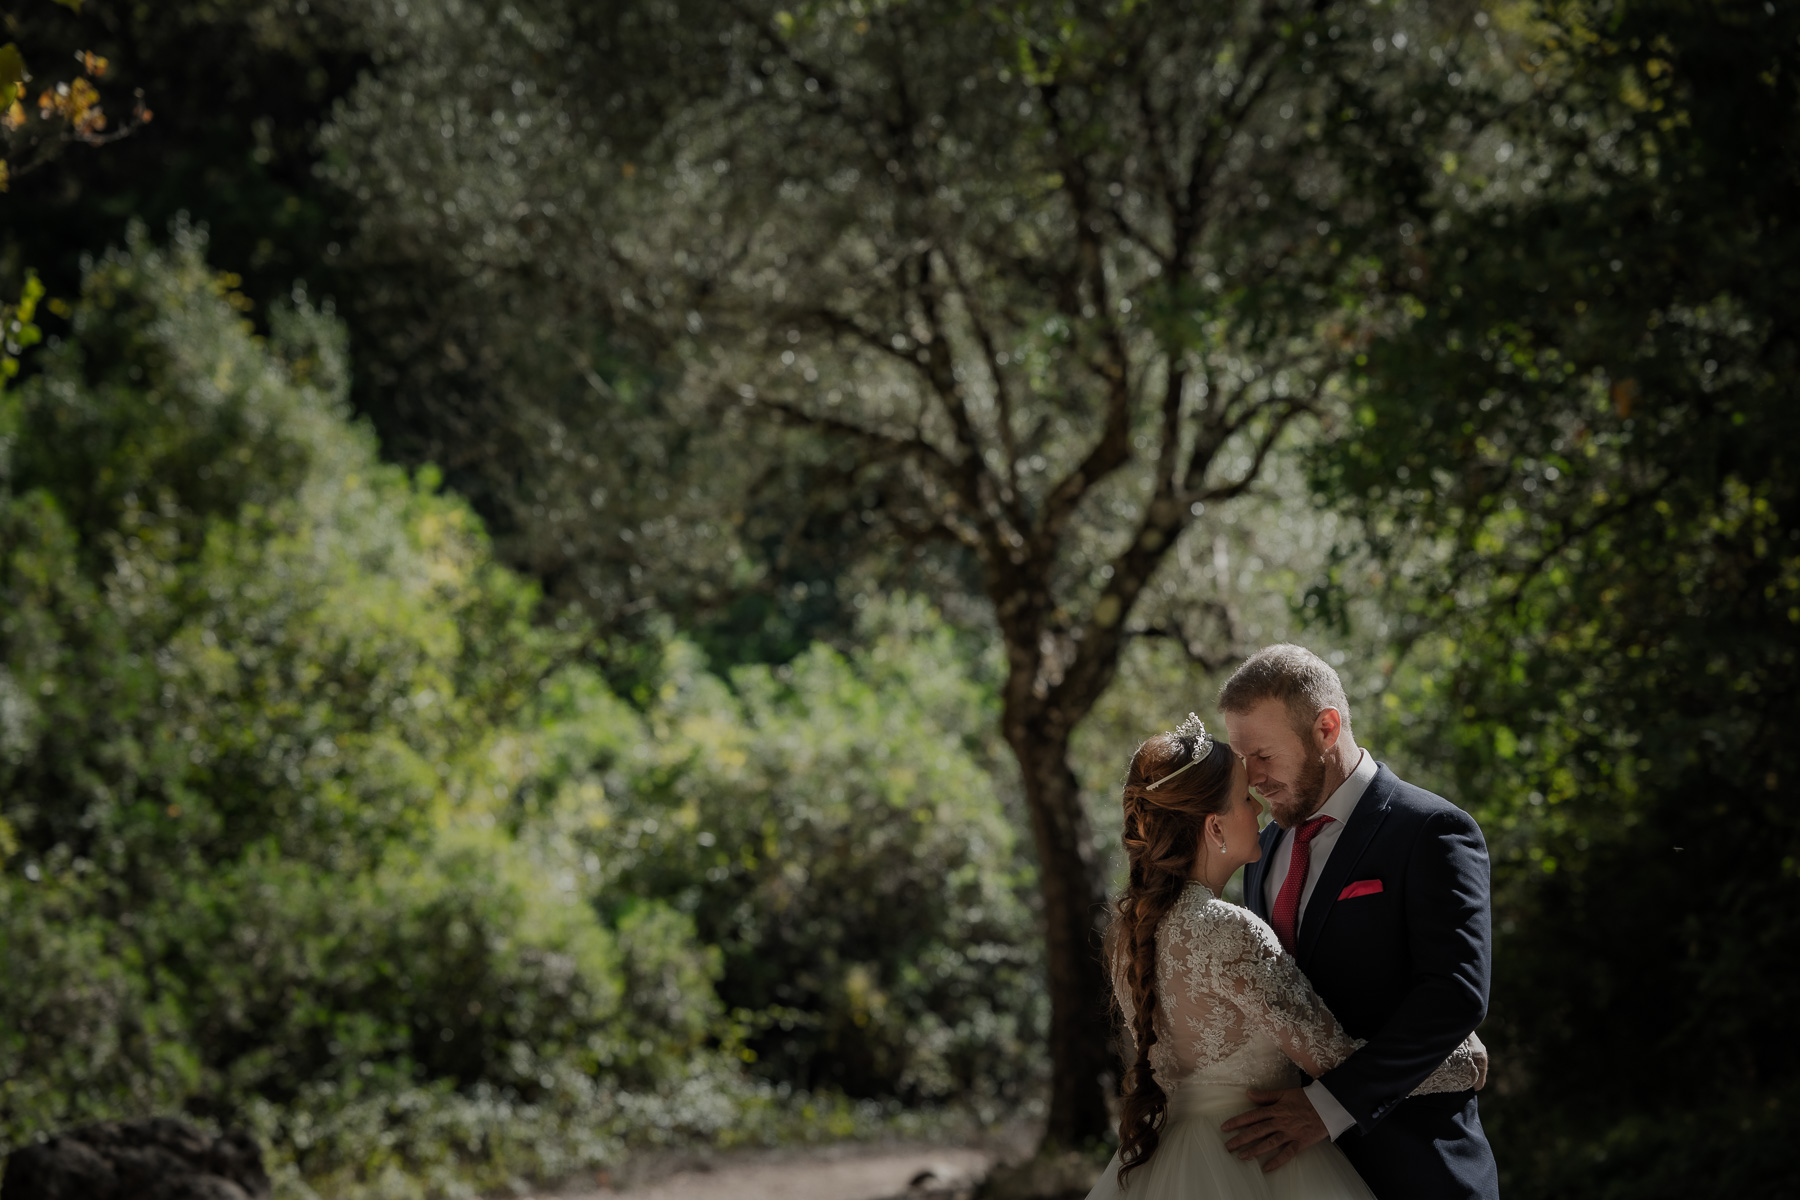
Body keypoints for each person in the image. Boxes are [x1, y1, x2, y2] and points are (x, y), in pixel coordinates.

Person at [1083, 713, 1486, 1200]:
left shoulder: (1129, 929)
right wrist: (1460, 1061)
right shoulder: (1228, 929)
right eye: (1242, 798)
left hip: (1169, 1161)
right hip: (1256, 1164)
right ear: (1214, 827)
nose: (1258, 809)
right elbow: (1333, 1062)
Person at [1217, 644, 1499, 1199]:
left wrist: (1328, 1107)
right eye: (1241, 757)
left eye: (1265, 755)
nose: (1251, 778)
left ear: (1326, 728)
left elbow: (1455, 994)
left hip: (1414, 1167)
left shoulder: (1431, 830)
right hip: (1289, 1176)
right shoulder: (1263, 845)